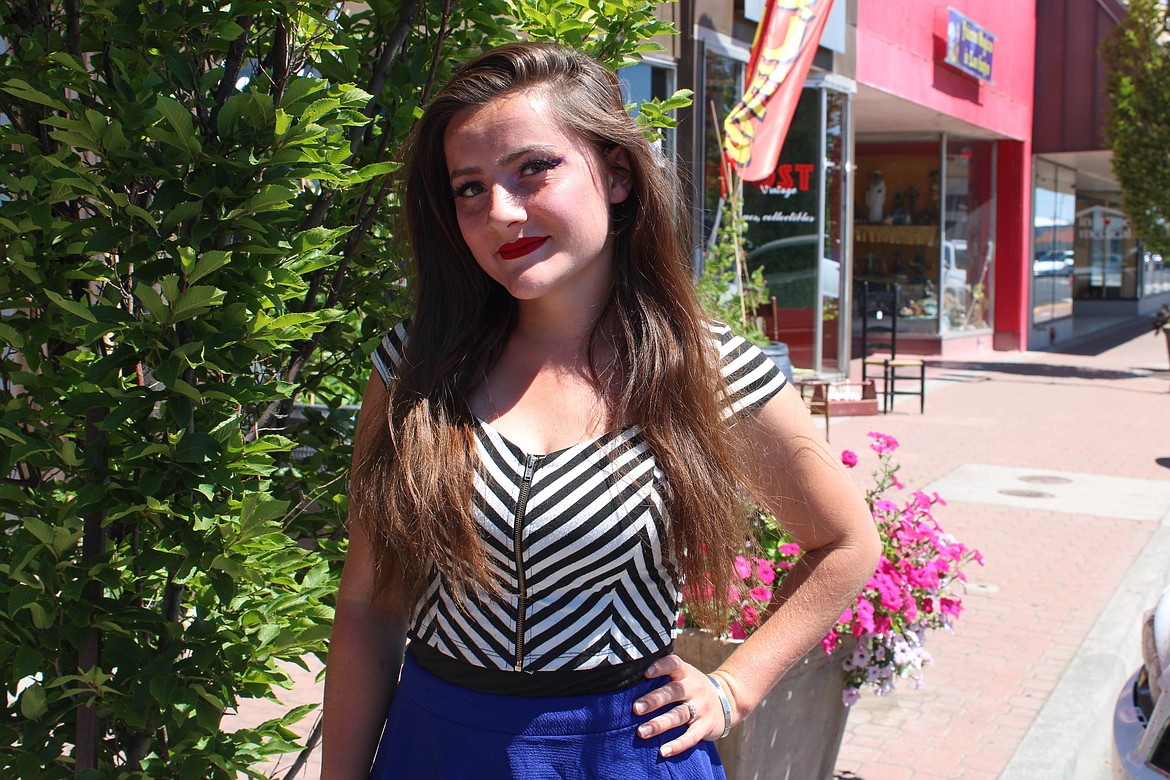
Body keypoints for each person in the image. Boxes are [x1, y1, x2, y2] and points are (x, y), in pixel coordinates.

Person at [322, 42, 880, 780]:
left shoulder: (705, 371)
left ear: (615, 173)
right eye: (469, 188)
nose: (500, 211)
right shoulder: (416, 367)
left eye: (533, 168)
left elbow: (847, 544)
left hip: (620, 751)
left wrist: (733, 688)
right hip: (438, 745)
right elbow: (367, 602)